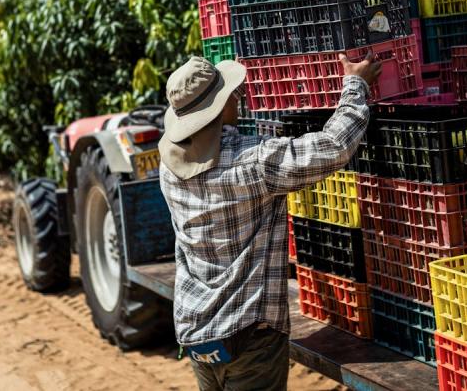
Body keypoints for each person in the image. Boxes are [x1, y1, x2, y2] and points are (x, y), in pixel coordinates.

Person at [158, 54, 382, 391]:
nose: (237, 97)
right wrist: (356, 84)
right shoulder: (254, 162)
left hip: (196, 333)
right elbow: (334, 146)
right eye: (230, 94)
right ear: (218, 111)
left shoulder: (168, 168)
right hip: (247, 338)